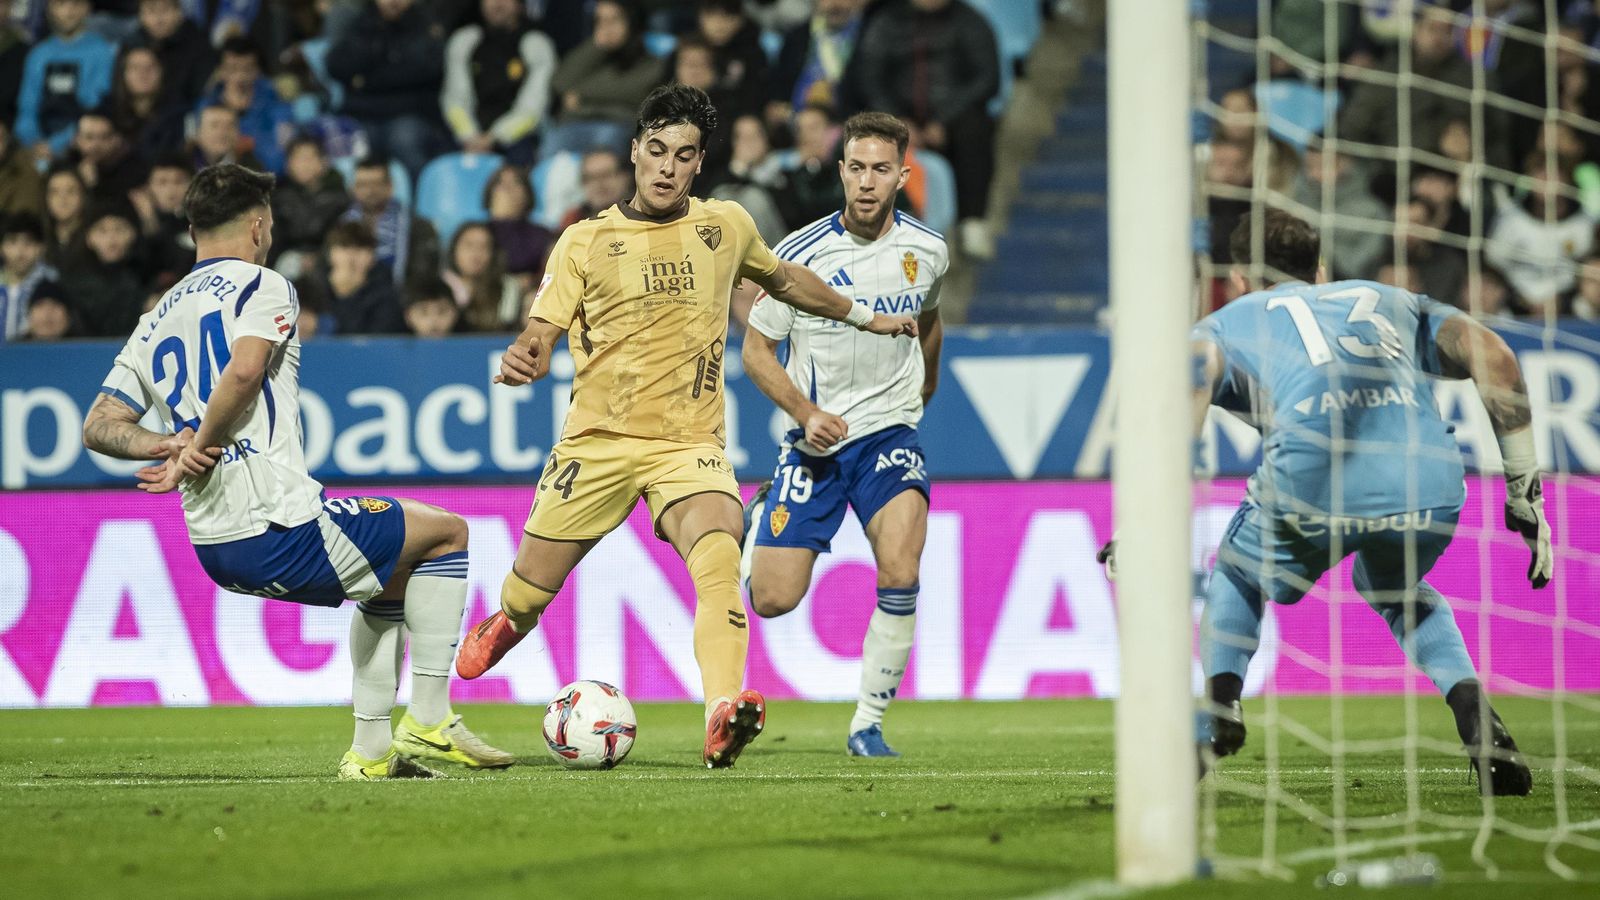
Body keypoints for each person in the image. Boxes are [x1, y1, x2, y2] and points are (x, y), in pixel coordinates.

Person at [453, 84, 918, 769]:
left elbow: (788, 280)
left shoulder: (725, 226)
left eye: (685, 155)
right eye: (658, 151)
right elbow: (541, 329)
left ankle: (721, 713)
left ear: (700, 163)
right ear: (636, 151)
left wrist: (865, 316)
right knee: (528, 591)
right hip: (598, 446)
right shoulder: (586, 240)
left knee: (720, 557)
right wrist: (527, 353)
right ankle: (508, 621)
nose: (669, 167)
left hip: (688, 447)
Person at [81, 163, 513, 780]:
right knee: (447, 533)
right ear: (257, 226)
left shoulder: (157, 317)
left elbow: (98, 422)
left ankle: (371, 754)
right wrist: (200, 442)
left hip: (214, 543)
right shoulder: (265, 286)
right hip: (279, 523)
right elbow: (244, 370)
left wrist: (168, 445)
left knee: (392, 574)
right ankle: (429, 716)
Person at [1101, 210, 1545, 797]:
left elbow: (1185, 392)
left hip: (1313, 479)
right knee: (1396, 590)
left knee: (1237, 573)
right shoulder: (1392, 300)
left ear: (1237, 278)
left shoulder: (1224, 323)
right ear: (1320, 270)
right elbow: (1494, 354)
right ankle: (1477, 719)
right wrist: (1522, 486)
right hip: (1429, 481)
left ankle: (1221, 710)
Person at [740, 112, 946, 757]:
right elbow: (755, 351)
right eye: (856, 167)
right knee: (772, 600)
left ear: (901, 175)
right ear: (840, 172)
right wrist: (804, 413)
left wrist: (924, 387)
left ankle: (867, 723)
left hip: (889, 434)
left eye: (880, 169)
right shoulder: (797, 258)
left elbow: (931, 319)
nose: (866, 181)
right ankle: (759, 515)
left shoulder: (928, 252)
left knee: (901, 567)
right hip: (815, 445)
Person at [847, 0, 999, 259]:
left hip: (952, 121)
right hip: (896, 118)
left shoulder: (970, 21)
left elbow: (987, 78)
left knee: (976, 127)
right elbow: (869, 77)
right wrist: (898, 120)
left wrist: (944, 119)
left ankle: (972, 220)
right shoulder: (886, 22)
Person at [326, 0, 448, 176]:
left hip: (410, 112)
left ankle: (415, 202)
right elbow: (336, 66)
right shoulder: (360, 21)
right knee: (349, 146)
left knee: (405, 142)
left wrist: (366, 80)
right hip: (361, 112)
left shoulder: (425, 22)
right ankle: (343, 203)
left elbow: (427, 70)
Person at [544, 0, 664, 161]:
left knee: (608, 137)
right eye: (600, 21)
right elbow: (560, 83)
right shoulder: (593, 58)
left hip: (618, 126)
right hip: (575, 124)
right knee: (552, 142)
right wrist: (596, 46)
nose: (606, 28)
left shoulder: (651, 64)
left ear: (632, 22)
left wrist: (582, 96)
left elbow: (632, 92)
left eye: (613, 20)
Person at [441, 0, 557, 164]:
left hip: (517, 135)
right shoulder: (464, 40)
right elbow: (455, 99)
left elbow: (533, 107)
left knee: (522, 154)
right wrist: (469, 136)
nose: (497, 4)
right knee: (444, 161)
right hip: (468, 134)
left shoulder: (537, 44)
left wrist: (494, 138)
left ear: (520, 5)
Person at [15, 0, 115, 159]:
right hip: (36, 147)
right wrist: (33, 142)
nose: (69, 11)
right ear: (50, 9)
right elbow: (27, 108)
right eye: (61, 4)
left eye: (76, 4)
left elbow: (95, 106)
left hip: (82, 145)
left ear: (87, 8)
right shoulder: (38, 54)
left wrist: (56, 144)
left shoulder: (102, 51)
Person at [197, 37, 294, 174]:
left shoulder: (277, 107)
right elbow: (198, 153)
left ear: (258, 70)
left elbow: (283, 156)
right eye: (232, 69)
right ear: (220, 71)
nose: (240, 77)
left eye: (247, 69)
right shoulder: (205, 107)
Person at [342, 155, 440, 286]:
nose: (369, 191)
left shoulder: (417, 226)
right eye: (362, 185)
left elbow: (423, 275)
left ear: (390, 186)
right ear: (353, 189)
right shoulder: (341, 225)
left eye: (376, 184)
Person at [58, 202, 145, 337]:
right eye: (102, 231)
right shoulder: (72, 284)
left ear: (133, 234)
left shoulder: (147, 279)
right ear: (89, 238)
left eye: (119, 229)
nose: (111, 239)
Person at [268, 136, 348, 280]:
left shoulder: (340, 199)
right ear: (288, 164)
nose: (305, 164)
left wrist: (318, 258)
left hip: (326, 267)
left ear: (324, 162)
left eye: (310, 158)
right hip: (282, 264)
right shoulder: (275, 197)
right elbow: (273, 242)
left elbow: (339, 240)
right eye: (299, 158)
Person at [316, 219, 406, 335]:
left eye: (359, 249)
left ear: (372, 258)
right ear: (330, 255)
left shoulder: (387, 296)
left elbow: (377, 340)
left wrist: (347, 298)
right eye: (344, 247)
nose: (351, 257)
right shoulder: (312, 290)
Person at [125, 0, 215, 109]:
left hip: (181, 112)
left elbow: (198, 92)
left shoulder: (199, 44)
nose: (159, 19)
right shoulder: (132, 44)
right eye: (151, 11)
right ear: (141, 15)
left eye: (165, 10)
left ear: (179, 13)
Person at [105, 45, 187, 161]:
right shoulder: (106, 114)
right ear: (122, 74)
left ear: (162, 72)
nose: (143, 74)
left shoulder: (179, 116)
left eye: (150, 67)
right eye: (135, 67)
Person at [481, 164, 552, 287]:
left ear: (527, 193)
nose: (507, 188)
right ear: (490, 193)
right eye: (500, 182)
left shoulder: (543, 236)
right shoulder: (475, 234)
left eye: (516, 182)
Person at [442, 221, 519, 331]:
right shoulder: (441, 284)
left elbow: (507, 326)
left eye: (484, 247)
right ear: (454, 249)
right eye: (469, 245)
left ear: (493, 254)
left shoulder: (507, 286)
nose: (476, 253)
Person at [1, 213, 61, 341]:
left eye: (28, 243)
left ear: (41, 248)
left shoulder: (52, 282)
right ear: (2, 247)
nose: (20, 251)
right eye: (12, 242)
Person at [559, 147, 628, 230]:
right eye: (592, 178)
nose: (599, 183)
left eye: (607, 175)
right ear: (583, 183)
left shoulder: (642, 215)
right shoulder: (573, 219)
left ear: (624, 177)